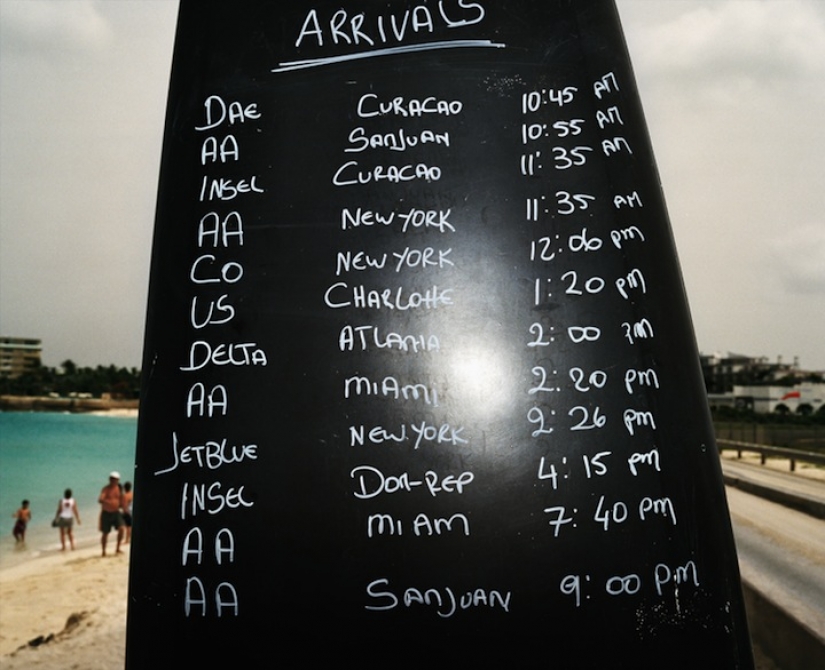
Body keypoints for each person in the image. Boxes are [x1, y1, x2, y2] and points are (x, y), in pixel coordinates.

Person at [98, 471, 125, 556]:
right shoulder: (106, 489)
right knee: (105, 533)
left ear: (118, 480)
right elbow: (100, 499)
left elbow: (121, 498)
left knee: (122, 529)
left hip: (116, 512)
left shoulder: (119, 488)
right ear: (109, 479)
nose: (113, 481)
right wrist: (109, 502)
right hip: (106, 513)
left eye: (115, 479)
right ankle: (103, 551)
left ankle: (118, 548)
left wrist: (123, 507)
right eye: (112, 479)